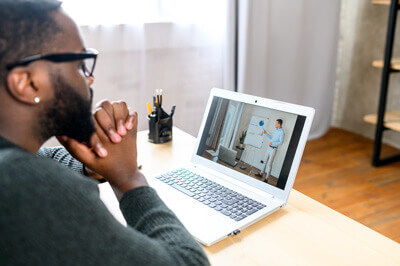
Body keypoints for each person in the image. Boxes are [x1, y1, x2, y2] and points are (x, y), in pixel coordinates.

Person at [0, 0, 209, 265]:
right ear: (28, 83)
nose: (89, 78)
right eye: (79, 64)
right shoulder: (25, 186)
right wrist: (129, 179)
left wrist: (93, 164)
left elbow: (42, 158)